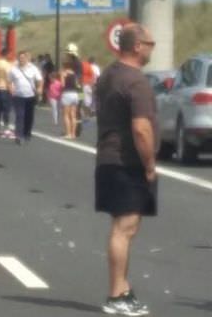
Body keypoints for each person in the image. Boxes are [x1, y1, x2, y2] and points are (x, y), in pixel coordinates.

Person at [95, 23, 158, 316]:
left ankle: (123, 288)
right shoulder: (136, 81)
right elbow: (141, 129)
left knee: (123, 227)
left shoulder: (108, 75)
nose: (152, 48)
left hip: (107, 158)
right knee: (125, 228)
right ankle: (116, 295)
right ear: (137, 46)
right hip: (127, 162)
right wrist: (149, 165)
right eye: (150, 43)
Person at [8, 50, 43, 145]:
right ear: (18, 59)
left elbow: (39, 80)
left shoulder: (33, 69)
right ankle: (19, 135)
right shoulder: (13, 69)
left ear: (27, 59)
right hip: (18, 96)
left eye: (23, 58)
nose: (21, 59)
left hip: (30, 96)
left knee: (29, 116)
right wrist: (11, 89)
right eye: (20, 58)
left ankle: (27, 134)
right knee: (20, 116)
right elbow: (9, 81)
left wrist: (40, 88)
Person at [0, 48, 13, 138]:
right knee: (6, 109)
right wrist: (11, 89)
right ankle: (6, 128)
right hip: (5, 88)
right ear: (7, 54)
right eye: (10, 54)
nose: (11, 56)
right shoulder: (7, 65)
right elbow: (9, 78)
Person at [60, 60, 80, 139]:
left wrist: (62, 76)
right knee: (73, 115)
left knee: (66, 115)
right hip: (75, 94)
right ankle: (73, 134)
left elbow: (62, 84)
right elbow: (77, 85)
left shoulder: (64, 73)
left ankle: (68, 133)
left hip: (67, 93)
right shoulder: (74, 74)